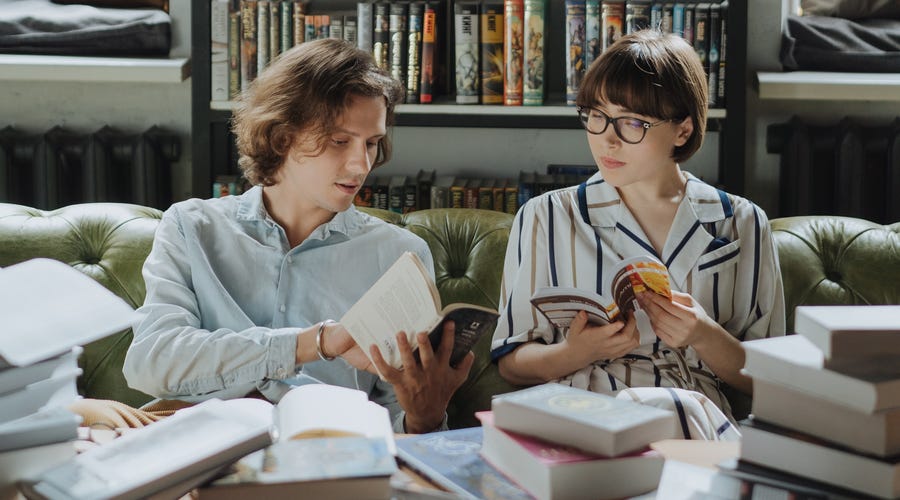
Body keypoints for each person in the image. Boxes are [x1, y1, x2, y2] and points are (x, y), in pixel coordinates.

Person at [119, 38, 473, 434]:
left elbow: (398, 424)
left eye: (371, 143)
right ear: (281, 137)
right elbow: (150, 362)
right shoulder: (192, 226)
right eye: (339, 141)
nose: (361, 164)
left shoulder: (400, 255)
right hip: (198, 448)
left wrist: (424, 415)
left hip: (326, 459)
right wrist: (317, 343)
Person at [490, 30, 785, 440]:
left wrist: (703, 335)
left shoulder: (742, 221)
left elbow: (770, 380)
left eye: (632, 122)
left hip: (693, 418)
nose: (607, 138)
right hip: (582, 413)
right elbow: (510, 360)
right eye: (596, 115)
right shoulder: (545, 216)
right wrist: (575, 353)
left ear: (682, 130)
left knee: (674, 410)